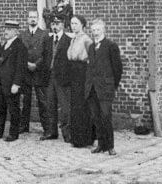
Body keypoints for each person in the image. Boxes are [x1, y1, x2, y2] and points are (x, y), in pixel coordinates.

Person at [86, 19, 123, 156]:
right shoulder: (91, 47)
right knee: (96, 117)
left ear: (103, 31)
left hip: (105, 88)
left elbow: (117, 68)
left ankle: (110, 146)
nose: (95, 33)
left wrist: (112, 85)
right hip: (92, 88)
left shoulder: (111, 46)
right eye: (93, 30)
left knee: (106, 116)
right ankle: (101, 144)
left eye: (98, 30)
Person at [0, 19, 28, 142]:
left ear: (16, 31)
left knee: (13, 109)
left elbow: (21, 67)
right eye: (5, 29)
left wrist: (16, 83)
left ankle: (13, 133)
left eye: (9, 29)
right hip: (2, 83)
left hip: (11, 84)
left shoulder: (19, 46)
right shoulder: (4, 45)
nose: (6, 32)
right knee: (0, 109)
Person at [19, 9, 51, 135]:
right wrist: (26, 64)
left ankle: (47, 128)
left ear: (38, 19)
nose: (32, 19)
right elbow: (20, 52)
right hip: (26, 71)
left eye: (35, 17)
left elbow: (47, 53)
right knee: (25, 100)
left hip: (39, 71)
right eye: (30, 17)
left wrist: (36, 65)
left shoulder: (44, 34)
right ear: (27, 19)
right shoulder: (22, 35)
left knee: (42, 101)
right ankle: (23, 126)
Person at [41, 12, 71, 142]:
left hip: (62, 77)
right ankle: (51, 132)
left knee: (65, 107)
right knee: (50, 105)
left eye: (58, 24)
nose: (55, 26)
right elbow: (44, 58)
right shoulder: (47, 40)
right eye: (53, 24)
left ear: (63, 25)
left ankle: (67, 133)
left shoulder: (68, 40)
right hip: (50, 77)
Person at [66, 14, 93, 148]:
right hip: (74, 72)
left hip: (82, 73)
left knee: (82, 105)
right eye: (72, 23)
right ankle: (76, 137)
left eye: (76, 23)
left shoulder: (86, 39)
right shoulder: (73, 39)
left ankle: (84, 138)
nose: (73, 26)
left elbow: (92, 58)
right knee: (75, 105)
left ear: (82, 25)